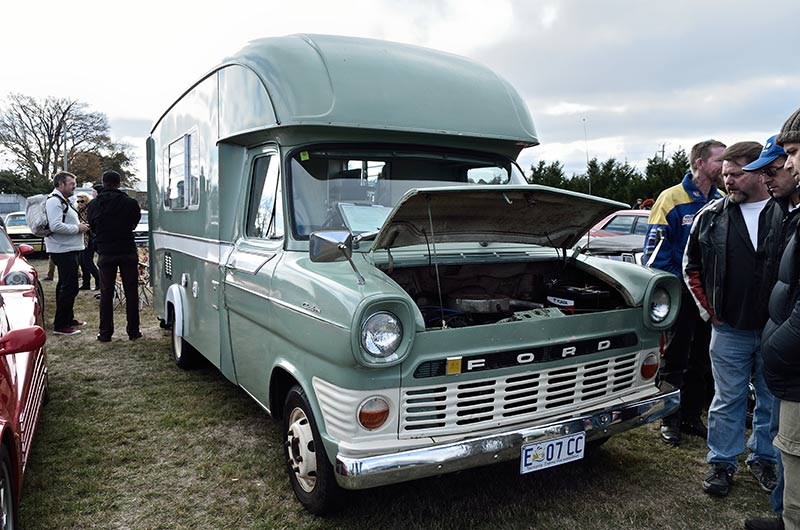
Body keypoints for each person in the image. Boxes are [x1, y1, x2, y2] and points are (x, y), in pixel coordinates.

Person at [683, 141, 780, 498]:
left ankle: (764, 459)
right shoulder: (710, 216)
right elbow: (690, 267)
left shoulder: (785, 212)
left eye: (736, 174)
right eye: (724, 175)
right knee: (727, 399)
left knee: (771, 400)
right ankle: (722, 463)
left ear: (758, 172)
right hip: (729, 330)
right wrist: (709, 312)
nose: (729, 182)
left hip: (775, 331)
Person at [643, 139, 726, 446]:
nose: (725, 165)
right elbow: (653, 255)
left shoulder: (720, 199)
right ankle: (669, 417)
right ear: (701, 163)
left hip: (709, 294)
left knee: (702, 358)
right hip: (680, 292)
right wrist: (671, 292)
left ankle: (691, 415)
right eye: (720, 159)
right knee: (675, 357)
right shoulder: (671, 198)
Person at [745, 108, 800, 530]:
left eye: (784, 161)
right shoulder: (781, 212)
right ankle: (782, 511)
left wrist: (775, 343)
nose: (770, 176)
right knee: (786, 439)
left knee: (791, 441)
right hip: (777, 339)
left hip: (787, 349)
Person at [88, 170, 142, 342]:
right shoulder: (130, 203)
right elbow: (134, 224)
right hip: (127, 249)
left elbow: (93, 226)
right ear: (119, 184)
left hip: (106, 251)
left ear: (103, 183)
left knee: (106, 293)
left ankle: (105, 333)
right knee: (131, 291)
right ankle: (133, 331)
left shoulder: (95, 204)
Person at [45, 171, 90, 335]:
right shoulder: (54, 202)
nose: (74, 186)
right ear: (60, 184)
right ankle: (61, 325)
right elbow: (55, 226)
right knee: (69, 287)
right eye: (71, 183)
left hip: (69, 248)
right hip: (63, 250)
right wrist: (77, 228)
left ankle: (68, 318)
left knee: (65, 285)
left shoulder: (62, 200)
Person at [75, 193, 99, 290]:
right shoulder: (78, 210)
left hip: (89, 237)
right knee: (82, 261)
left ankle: (99, 281)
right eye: (78, 201)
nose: (80, 203)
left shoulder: (89, 210)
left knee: (87, 261)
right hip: (81, 237)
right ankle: (86, 283)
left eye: (82, 201)